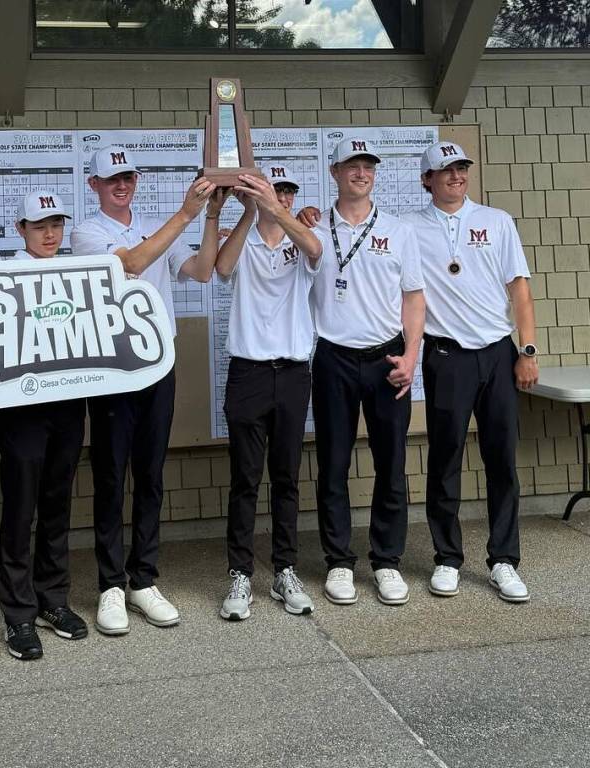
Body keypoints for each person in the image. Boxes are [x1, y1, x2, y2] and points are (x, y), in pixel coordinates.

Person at [70, 145, 220, 635]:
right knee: (111, 474)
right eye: (111, 178)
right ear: (94, 185)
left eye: (128, 177)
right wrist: (186, 214)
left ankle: (143, 579)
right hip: (114, 367)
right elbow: (131, 261)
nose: (121, 185)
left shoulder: (157, 224)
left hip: (158, 362)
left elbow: (201, 270)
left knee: (151, 473)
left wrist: (211, 216)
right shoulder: (87, 232)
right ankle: (110, 585)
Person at [402, 141, 537, 602]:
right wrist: (309, 218)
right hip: (446, 356)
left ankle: (504, 560)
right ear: (427, 180)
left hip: (497, 353)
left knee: (501, 459)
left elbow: (519, 289)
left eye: (461, 168)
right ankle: (447, 558)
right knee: (445, 459)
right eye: (445, 170)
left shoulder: (496, 221)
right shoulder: (408, 227)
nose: (456, 176)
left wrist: (527, 349)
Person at [302, 137, 426, 607]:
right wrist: (299, 215)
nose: (361, 173)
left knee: (390, 462)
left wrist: (411, 356)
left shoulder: (398, 230)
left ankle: (387, 561)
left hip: (386, 359)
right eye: (351, 166)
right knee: (333, 462)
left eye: (368, 166)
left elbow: (413, 298)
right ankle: (338, 561)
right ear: (334, 172)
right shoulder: (312, 227)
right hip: (333, 357)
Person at [207, 168, 323, 621]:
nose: (282, 198)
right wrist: (249, 212)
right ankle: (240, 573)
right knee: (245, 478)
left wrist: (279, 211)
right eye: (274, 192)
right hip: (248, 372)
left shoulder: (304, 236)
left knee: (287, 476)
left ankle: (284, 570)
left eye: (287, 192)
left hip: (292, 372)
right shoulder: (246, 238)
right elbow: (221, 268)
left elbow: (315, 251)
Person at [0, 190, 89, 660]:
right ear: (21, 230)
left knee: (57, 505)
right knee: (20, 510)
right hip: (22, 407)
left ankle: (53, 599)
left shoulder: (77, 274)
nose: (50, 234)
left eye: (56, 225)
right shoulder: (2, 275)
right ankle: (18, 614)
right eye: (39, 226)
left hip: (68, 403)